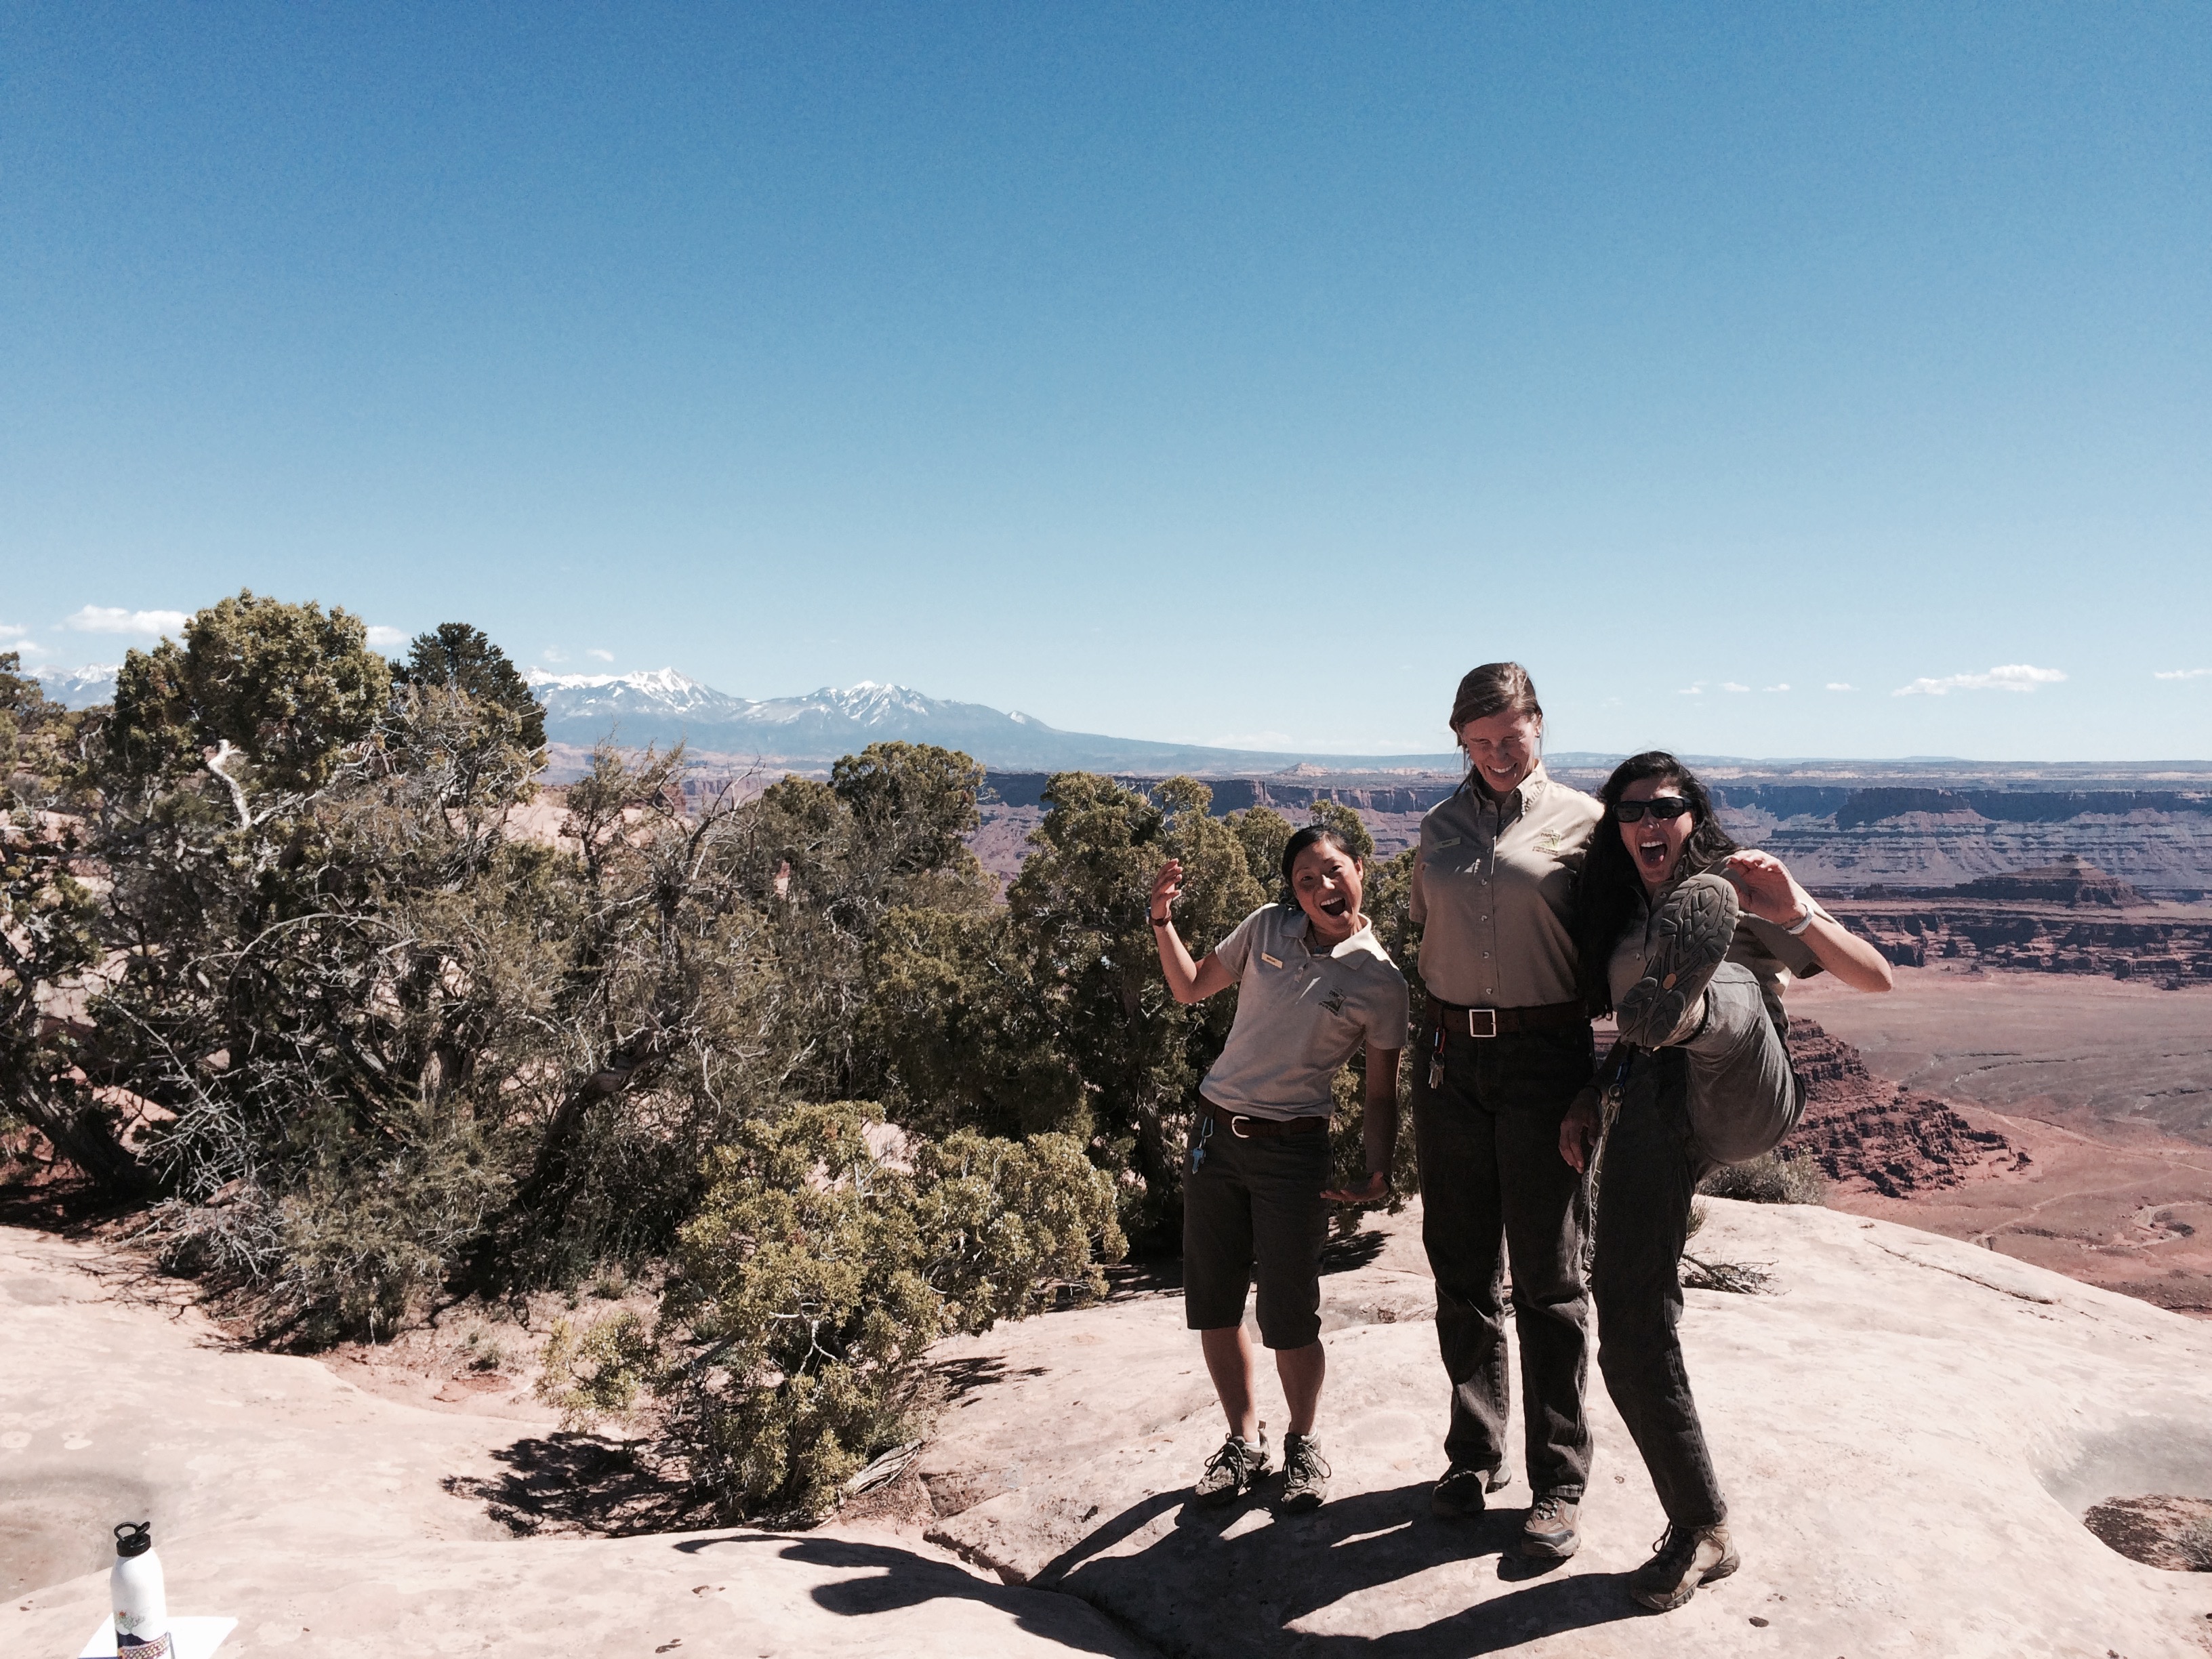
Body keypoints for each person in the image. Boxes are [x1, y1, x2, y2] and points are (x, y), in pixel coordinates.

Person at [1559, 751, 1893, 1612]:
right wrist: (1592, 1094)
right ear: (1615, 825)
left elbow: (1876, 975)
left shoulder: (1738, 885)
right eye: (1631, 810)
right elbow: (1616, 1035)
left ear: (1693, 816)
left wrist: (1797, 910)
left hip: (1749, 1086)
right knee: (1626, 1322)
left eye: (1665, 807)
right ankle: (1701, 1527)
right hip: (1652, 1096)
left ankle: (1695, 1003)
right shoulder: (1613, 907)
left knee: (1730, 981)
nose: (1648, 822)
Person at [1148, 824, 1409, 1513]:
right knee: (1215, 1302)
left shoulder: (1381, 981)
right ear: (1292, 893)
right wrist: (1161, 920)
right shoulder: (1268, 927)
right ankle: (1243, 1441)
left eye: (1333, 871)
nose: (1323, 888)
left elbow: (1380, 1094)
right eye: (1305, 880)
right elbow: (1189, 988)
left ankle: (1303, 1442)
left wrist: (1377, 1168)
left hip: (1293, 1151)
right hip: (1214, 1137)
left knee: (1290, 1312)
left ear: (1360, 869)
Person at [1407, 662, 1603, 1561]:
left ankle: (1558, 1479)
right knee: (1461, 1269)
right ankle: (1473, 1455)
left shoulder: (1585, 824)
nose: (1494, 755)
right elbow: (1428, 932)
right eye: (1478, 742)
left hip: (1544, 1056)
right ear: (1460, 740)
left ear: (1538, 726)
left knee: (1550, 1279)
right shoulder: (1437, 828)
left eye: (1509, 738)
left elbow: (1613, 954)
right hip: (1449, 1057)